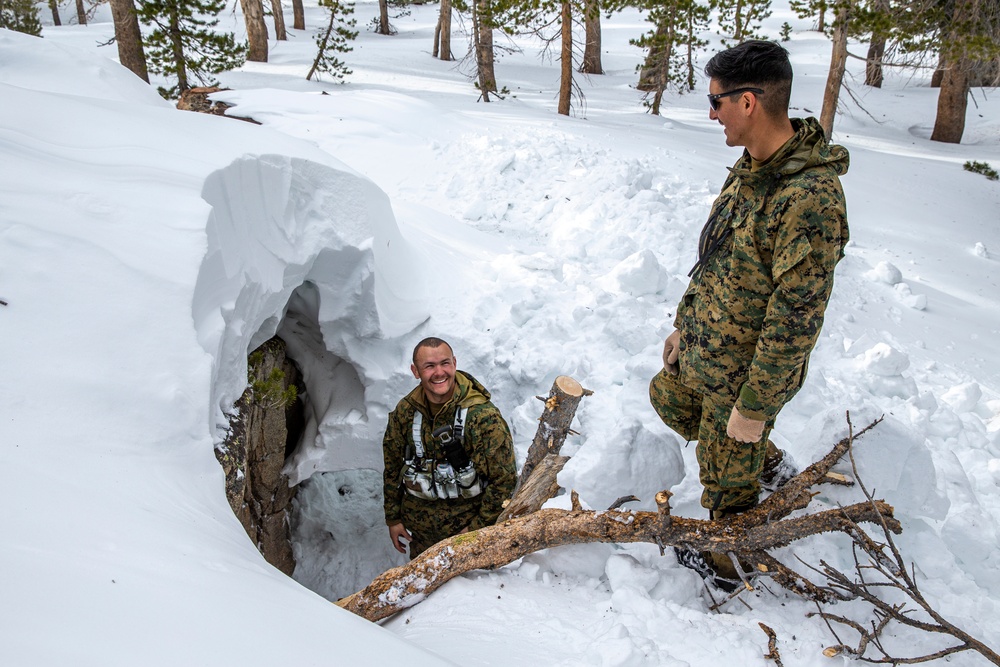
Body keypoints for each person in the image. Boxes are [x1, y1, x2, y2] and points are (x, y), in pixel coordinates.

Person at [649, 40, 849, 586]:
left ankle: (728, 565)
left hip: (747, 372)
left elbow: (796, 321)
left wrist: (754, 409)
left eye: (715, 102)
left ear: (749, 102)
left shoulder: (809, 198)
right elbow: (715, 254)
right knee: (666, 395)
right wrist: (683, 324)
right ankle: (762, 462)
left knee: (723, 479)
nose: (711, 114)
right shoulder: (752, 167)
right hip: (707, 346)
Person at [382, 337, 517, 558]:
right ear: (415, 371)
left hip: (469, 540)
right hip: (421, 537)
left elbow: (504, 481)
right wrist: (393, 518)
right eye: (429, 366)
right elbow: (393, 467)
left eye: (445, 363)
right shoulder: (405, 412)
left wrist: (474, 531)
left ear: (454, 363)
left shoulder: (482, 416)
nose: (439, 372)